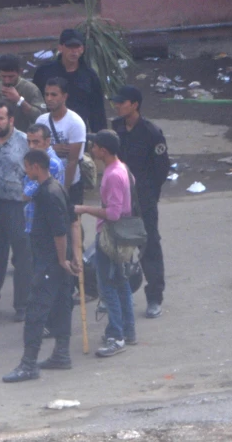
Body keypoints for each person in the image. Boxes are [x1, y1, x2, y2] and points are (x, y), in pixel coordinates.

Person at [3, 149, 80, 383]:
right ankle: (61, 353)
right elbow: (72, 221)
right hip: (60, 260)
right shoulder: (58, 188)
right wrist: (72, 256)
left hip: (49, 262)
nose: (26, 172)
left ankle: (28, 364)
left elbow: (58, 231)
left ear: (35, 166)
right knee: (61, 305)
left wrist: (59, 260)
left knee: (36, 311)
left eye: (27, 167)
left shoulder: (47, 194)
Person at [110, 86, 170, 319]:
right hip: (120, 197)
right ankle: (114, 296)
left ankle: (154, 297)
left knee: (148, 247)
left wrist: (147, 195)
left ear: (134, 104)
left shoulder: (152, 132)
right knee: (115, 246)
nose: (117, 106)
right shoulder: (116, 128)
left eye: (121, 102)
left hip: (143, 199)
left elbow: (161, 169)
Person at [75, 130, 136, 357]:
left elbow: (112, 213)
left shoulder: (112, 175)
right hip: (123, 237)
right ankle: (127, 331)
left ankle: (116, 336)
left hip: (111, 238)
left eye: (95, 146)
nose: (92, 149)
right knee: (121, 283)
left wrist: (84, 209)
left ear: (103, 150)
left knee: (107, 286)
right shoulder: (123, 169)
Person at [0, 100, 32, 322]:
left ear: (11, 119)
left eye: (0, 118)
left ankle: (22, 304)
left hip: (17, 207)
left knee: (22, 257)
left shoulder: (24, 142)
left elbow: (34, 173)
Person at [32, 28, 107, 133]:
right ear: (60, 48)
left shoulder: (90, 76)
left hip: (79, 132)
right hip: (49, 132)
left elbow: (97, 112)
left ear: (82, 49)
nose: (74, 51)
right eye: (70, 47)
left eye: (77, 47)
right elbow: (35, 101)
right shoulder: (44, 72)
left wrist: (99, 138)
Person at [35, 77, 87, 205]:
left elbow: (73, 161)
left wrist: (64, 190)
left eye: (54, 94)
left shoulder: (75, 122)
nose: (49, 98)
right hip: (45, 183)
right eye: (46, 94)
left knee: (73, 223)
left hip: (70, 185)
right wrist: (53, 148)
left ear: (64, 97)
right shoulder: (41, 120)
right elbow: (35, 150)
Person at [0, 54, 44, 137]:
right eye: (3, 76)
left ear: (20, 72)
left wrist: (19, 100)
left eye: (11, 77)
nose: (7, 80)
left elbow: (41, 118)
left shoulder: (30, 89)